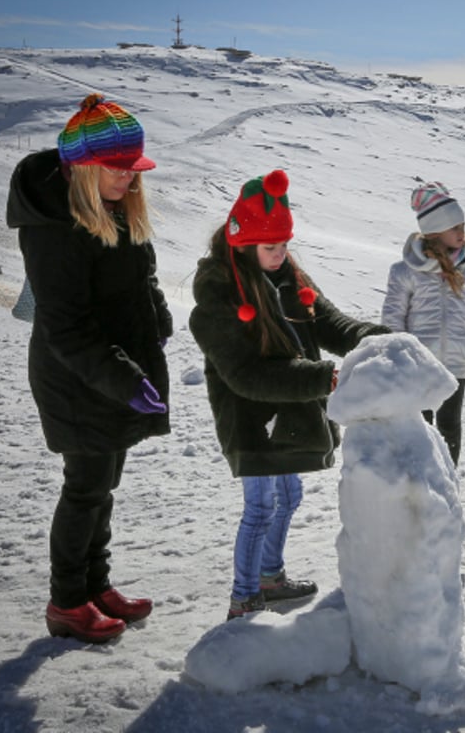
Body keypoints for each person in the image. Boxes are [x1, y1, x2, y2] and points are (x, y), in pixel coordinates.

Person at [189, 169, 390, 620]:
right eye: (270, 247)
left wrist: (379, 340)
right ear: (243, 243)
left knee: (289, 497)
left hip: (289, 414)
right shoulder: (218, 295)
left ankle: (270, 578)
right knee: (260, 507)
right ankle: (243, 599)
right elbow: (246, 375)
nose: (281, 255)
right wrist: (324, 378)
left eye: (284, 245)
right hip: (250, 420)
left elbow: (330, 323)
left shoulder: (288, 274)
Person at [6, 93, 170, 644]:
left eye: (134, 169)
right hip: (76, 377)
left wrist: (160, 320)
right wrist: (126, 379)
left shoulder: (116, 205)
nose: (130, 179)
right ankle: (67, 602)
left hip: (115, 370)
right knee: (85, 487)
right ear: (84, 167)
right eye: (120, 169)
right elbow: (67, 327)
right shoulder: (54, 228)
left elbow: (140, 278)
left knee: (105, 484)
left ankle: (97, 585)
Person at [381, 182, 465, 465]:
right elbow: (392, 321)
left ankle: (447, 488)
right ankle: (418, 491)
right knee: (418, 430)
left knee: (449, 428)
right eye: (454, 228)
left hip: (455, 366)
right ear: (435, 231)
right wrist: (395, 365)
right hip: (417, 366)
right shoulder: (405, 271)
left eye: (462, 226)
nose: (462, 233)